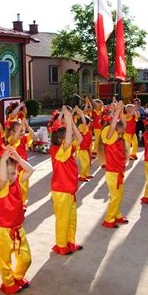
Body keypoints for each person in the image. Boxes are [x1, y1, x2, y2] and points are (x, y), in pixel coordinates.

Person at [0, 146, 34, 295]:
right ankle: (8, 283)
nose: (11, 176)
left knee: (26, 258)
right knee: (5, 261)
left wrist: (18, 158)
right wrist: (3, 159)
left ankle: (17, 276)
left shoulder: (17, 181)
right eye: (7, 173)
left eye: (13, 173)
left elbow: (30, 170)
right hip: (4, 232)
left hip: (18, 229)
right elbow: (3, 179)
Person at [49, 106, 83, 255]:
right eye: (68, 135)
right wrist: (68, 124)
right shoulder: (56, 151)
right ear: (61, 140)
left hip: (70, 189)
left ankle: (70, 241)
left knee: (71, 218)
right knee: (63, 219)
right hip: (61, 190)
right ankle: (61, 245)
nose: (72, 138)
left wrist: (71, 123)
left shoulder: (67, 149)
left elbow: (80, 138)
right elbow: (69, 141)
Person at [99, 101, 129, 228]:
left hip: (119, 171)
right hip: (112, 173)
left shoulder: (119, 139)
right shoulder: (109, 139)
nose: (121, 135)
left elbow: (124, 125)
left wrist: (121, 111)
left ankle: (116, 214)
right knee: (115, 196)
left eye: (122, 133)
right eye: (119, 133)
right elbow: (112, 128)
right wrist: (116, 112)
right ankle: (109, 219)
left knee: (119, 194)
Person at [5, 118, 34, 206]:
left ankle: (22, 204)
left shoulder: (23, 139)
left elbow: (33, 135)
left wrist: (27, 126)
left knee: (24, 189)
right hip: (16, 171)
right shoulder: (11, 140)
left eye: (23, 131)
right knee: (17, 189)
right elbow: (14, 139)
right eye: (19, 131)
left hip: (24, 168)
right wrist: (21, 125)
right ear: (12, 132)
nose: (22, 133)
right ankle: (17, 205)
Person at [75, 107, 93, 182]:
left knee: (88, 162)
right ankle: (82, 176)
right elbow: (84, 122)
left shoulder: (87, 129)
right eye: (89, 122)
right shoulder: (82, 128)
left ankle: (86, 174)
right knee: (85, 163)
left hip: (86, 148)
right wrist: (82, 114)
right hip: (82, 149)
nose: (90, 124)